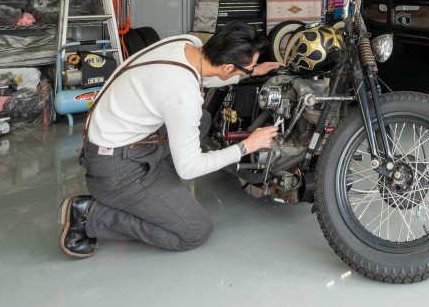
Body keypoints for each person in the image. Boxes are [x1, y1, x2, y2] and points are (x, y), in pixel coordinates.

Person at [59, 22, 282, 258]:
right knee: (195, 232)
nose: (249, 70)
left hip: (121, 141)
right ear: (228, 66)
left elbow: (206, 76)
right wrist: (248, 145)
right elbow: (190, 168)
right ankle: (88, 214)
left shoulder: (188, 44)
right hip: (115, 168)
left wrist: (252, 73)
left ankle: (158, 192)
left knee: (202, 120)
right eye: (246, 68)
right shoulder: (183, 96)